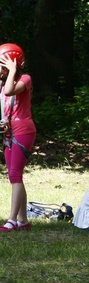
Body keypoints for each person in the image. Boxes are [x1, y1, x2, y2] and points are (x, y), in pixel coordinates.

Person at [0, 44, 35, 233]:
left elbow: (9, 92)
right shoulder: (3, 83)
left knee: (15, 175)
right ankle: (22, 220)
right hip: (9, 131)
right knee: (14, 176)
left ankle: (12, 220)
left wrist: (13, 70)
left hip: (24, 130)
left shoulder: (25, 79)